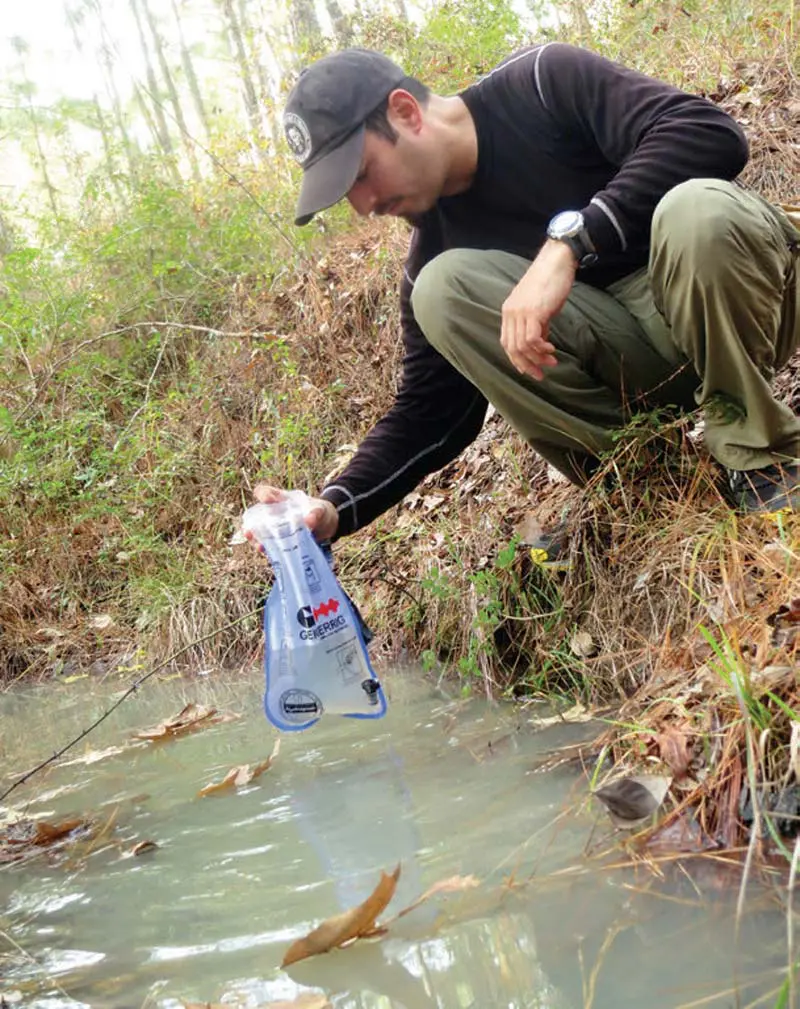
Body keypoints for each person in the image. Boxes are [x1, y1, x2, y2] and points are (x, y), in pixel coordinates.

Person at [257, 43, 800, 544]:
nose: (363, 205)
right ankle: (653, 485)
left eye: (361, 173)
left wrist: (570, 243)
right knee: (442, 292)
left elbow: (708, 132)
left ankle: (762, 457)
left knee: (697, 210)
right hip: (643, 358)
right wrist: (334, 505)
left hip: (752, 300)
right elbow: (428, 414)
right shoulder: (432, 260)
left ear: (405, 111)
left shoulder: (542, 84)